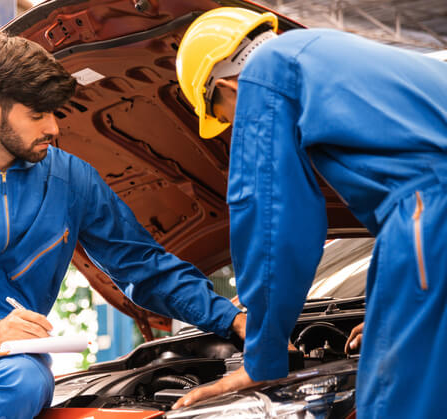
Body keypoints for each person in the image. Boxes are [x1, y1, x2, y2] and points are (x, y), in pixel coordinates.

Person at [0, 31, 247, 418]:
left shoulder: (73, 182)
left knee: (25, 378)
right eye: (37, 115)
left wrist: (229, 317)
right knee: (25, 379)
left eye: (54, 113)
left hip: (8, 380)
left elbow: (145, 268)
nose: (53, 128)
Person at [169, 7, 447, 418]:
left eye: (226, 121)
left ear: (227, 88)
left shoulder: (266, 74)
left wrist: (262, 358)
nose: (233, 129)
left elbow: (272, 223)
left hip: (432, 216)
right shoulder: (331, 51)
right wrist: (389, 308)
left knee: (395, 404)